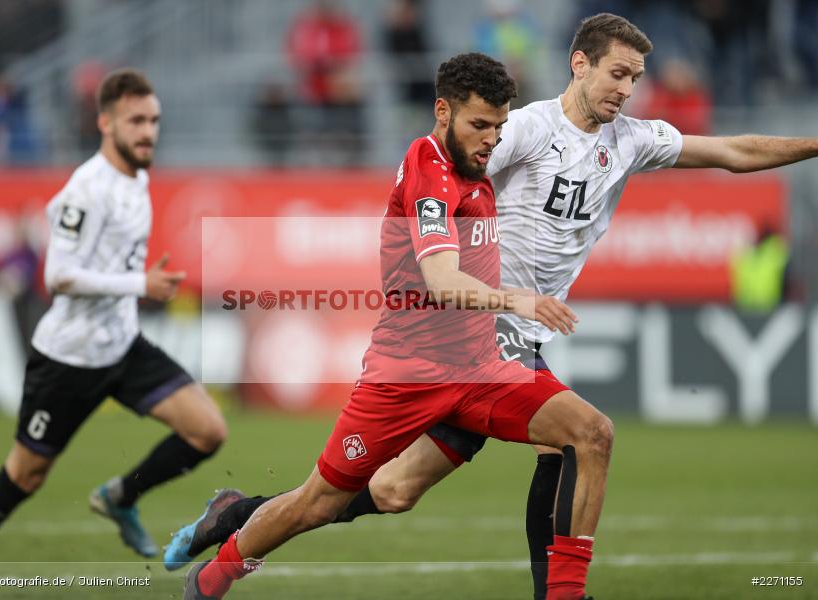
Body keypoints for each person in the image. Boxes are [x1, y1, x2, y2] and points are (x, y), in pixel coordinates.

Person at [171, 12, 818, 600]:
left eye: (635, 77)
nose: (626, 88)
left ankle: (236, 512)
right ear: (579, 64)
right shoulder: (522, 130)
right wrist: (436, 242)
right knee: (571, 439)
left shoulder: (633, 139)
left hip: (507, 343)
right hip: (463, 332)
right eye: (617, 73)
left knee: (406, 489)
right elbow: (450, 167)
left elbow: (734, 151)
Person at [183, 52, 610, 600]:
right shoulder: (428, 167)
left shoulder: (479, 173)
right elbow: (440, 278)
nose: (491, 139)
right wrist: (518, 301)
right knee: (322, 502)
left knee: (590, 433)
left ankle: (565, 596)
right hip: (406, 376)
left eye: (499, 127)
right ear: (442, 112)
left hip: (482, 368)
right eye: (479, 125)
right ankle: (215, 574)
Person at [0, 68, 228, 600]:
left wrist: (135, 286)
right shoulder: (84, 191)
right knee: (26, 475)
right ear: (104, 122)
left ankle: (119, 496)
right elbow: (56, 277)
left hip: (122, 345)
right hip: (68, 359)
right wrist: (141, 282)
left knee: (206, 430)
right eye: (136, 121)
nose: (148, 132)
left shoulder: (137, 177)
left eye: (154, 120)